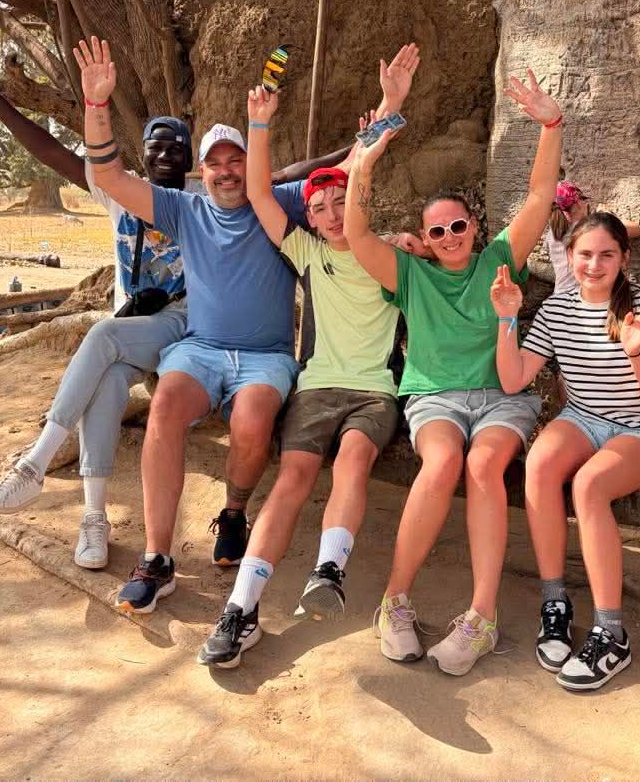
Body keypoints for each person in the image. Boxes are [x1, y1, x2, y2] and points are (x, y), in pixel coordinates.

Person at [75, 37, 419, 614]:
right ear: (201, 171)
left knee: (254, 419)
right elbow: (109, 178)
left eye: (236, 160)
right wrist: (96, 104)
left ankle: (234, 512)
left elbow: (352, 167)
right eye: (215, 163)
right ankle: (157, 558)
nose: (227, 171)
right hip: (201, 348)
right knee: (165, 406)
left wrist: (390, 104)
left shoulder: (279, 203)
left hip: (266, 356)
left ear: (249, 164)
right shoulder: (182, 208)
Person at [0, 49, 343, 570]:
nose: (167, 157)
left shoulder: (239, 198)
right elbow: (88, 165)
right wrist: (93, 103)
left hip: (193, 328)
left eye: (178, 150)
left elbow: (304, 174)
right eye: (156, 148)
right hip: (155, 331)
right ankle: (98, 520)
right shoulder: (159, 202)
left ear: (192, 164)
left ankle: (42, 462)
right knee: (115, 382)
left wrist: (372, 132)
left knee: (114, 346)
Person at [197, 56, 417, 667]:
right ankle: (240, 609)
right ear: (310, 219)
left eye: (341, 202)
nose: (331, 213)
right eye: (319, 207)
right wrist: (258, 125)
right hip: (316, 388)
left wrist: (391, 105)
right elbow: (260, 195)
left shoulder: (385, 257)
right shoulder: (306, 252)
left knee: (352, 460)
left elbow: (364, 167)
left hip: (373, 392)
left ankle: (329, 571)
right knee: (292, 477)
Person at [345, 68, 563, 676]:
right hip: (435, 397)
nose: (448, 237)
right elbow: (357, 233)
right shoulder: (410, 275)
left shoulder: (499, 259)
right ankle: (394, 602)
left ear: (474, 228)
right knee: (442, 462)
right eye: (436, 230)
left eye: (458, 226)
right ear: (424, 236)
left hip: (502, 397)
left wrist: (551, 125)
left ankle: (481, 618)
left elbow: (540, 198)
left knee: (484, 466)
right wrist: (366, 157)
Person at [492, 212, 640, 691]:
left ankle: (611, 633)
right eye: (585, 254)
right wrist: (507, 319)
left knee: (589, 485)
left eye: (606, 255)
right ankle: (555, 603)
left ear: (624, 258)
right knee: (539, 464)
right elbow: (513, 379)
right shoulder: (557, 309)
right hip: (583, 418)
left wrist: (636, 351)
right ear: (569, 256)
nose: (594, 265)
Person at [542, 179, 640, 295]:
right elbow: (636, 230)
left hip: (560, 294)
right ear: (578, 202)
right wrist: (608, 217)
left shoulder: (551, 234)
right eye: (583, 199)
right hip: (580, 296)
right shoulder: (587, 230)